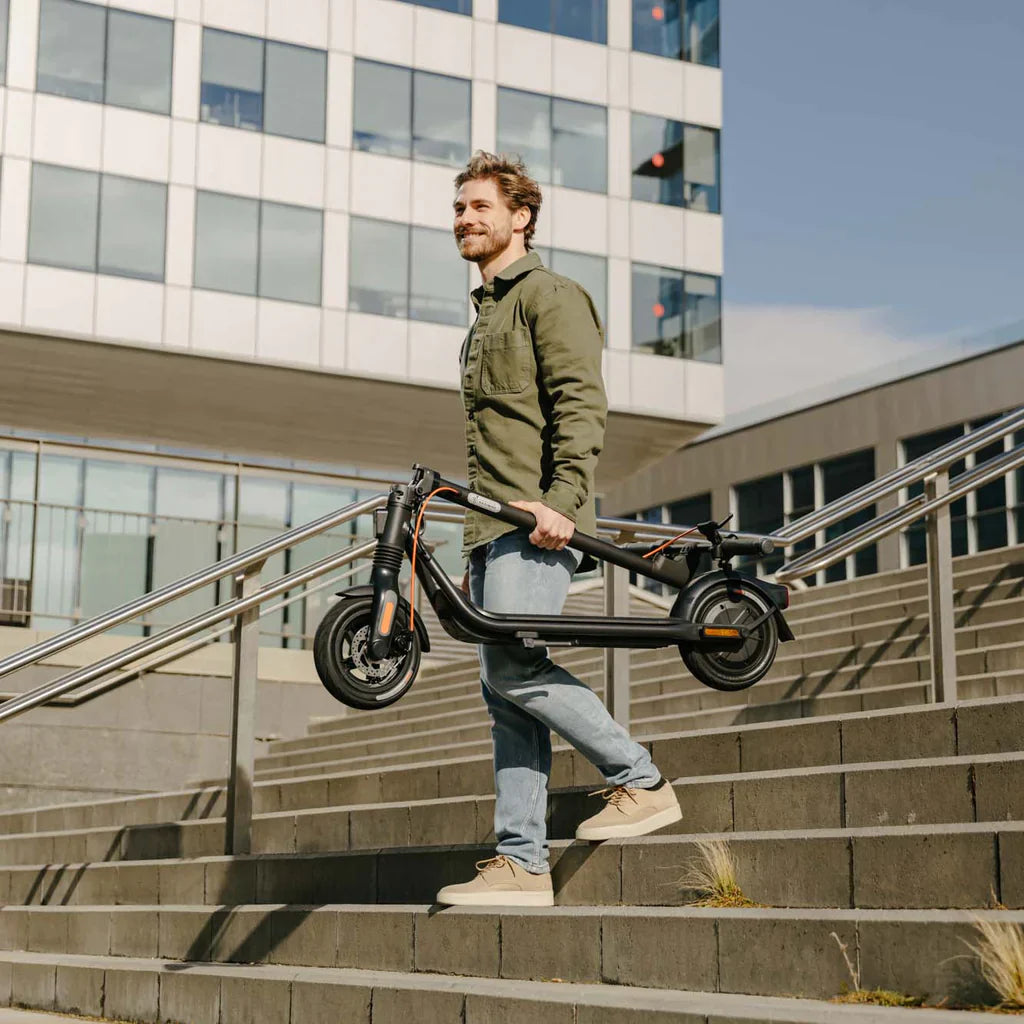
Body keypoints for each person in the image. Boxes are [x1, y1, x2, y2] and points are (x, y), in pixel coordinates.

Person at [435, 152, 681, 909]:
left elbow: (580, 406)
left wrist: (564, 503)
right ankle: (523, 863)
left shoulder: (550, 296)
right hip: (491, 525)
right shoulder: (483, 321)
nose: (465, 219)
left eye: (480, 207)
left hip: (534, 521)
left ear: (521, 217)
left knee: (513, 670)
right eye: (459, 210)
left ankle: (641, 781)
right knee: (504, 691)